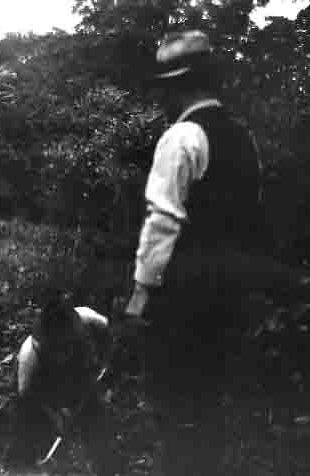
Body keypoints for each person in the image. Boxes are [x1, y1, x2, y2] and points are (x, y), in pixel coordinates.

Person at [123, 30, 309, 476]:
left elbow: (163, 222)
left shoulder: (181, 137)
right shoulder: (243, 138)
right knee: (211, 399)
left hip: (185, 293)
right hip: (233, 292)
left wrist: (141, 293)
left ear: (178, 87)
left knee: (175, 401)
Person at [3, 289, 122, 475]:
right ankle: (18, 466)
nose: (63, 352)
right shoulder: (30, 364)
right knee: (27, 431)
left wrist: (106, 368)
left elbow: (112, 343)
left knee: (98, 430)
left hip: (83, 379)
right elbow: (32, 398)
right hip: (45, 389)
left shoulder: (93, 322)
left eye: (69, 344)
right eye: (57, 347)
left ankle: (107, 468)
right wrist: (57, 417)